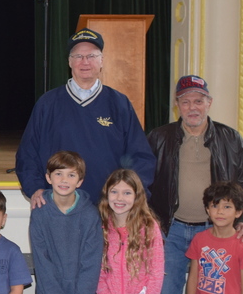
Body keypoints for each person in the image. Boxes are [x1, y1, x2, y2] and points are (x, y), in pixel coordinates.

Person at [147, 74, 243, 294]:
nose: (192, 107)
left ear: (209, 103)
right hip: (170, 231)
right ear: (177, 105)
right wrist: (149, 218)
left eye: (198, 101)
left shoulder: (230, 139)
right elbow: (142, 184)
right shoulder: (158, 138)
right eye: (185, 102)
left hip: (214, 233)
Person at [18, 28, 155, 207]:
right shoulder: (48, 103)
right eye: (78, 56)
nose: (85, 62)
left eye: (91, 56)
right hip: (58, 207)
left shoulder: (119, 103)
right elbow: (27, 154)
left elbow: (141, 156)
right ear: (69, 61)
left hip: (108, 207)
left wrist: (130, 191)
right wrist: (35, 187)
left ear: (101, 61)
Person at [28, 151, 102, 294]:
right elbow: (43, 265)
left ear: (80, 181)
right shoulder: (40, 213)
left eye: (71, 175)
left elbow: (92, 266)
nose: (64, 180)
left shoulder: (90, 215)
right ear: (48, 177)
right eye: (59, 174)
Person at [96, 169, 166, 294]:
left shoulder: (149, 227)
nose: (120, 198)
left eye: (127, 193)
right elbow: (99, 276)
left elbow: (156, 275)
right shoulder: (101, 228)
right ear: (106, 194)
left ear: (137, 196)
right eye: (114, 192)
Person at [185, 181, 243, 294]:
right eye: (215, 205)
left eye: (227, 207)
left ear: (238, 212)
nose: (220, 211)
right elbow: (193, 279)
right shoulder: (199, 239)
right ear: (207, 209)